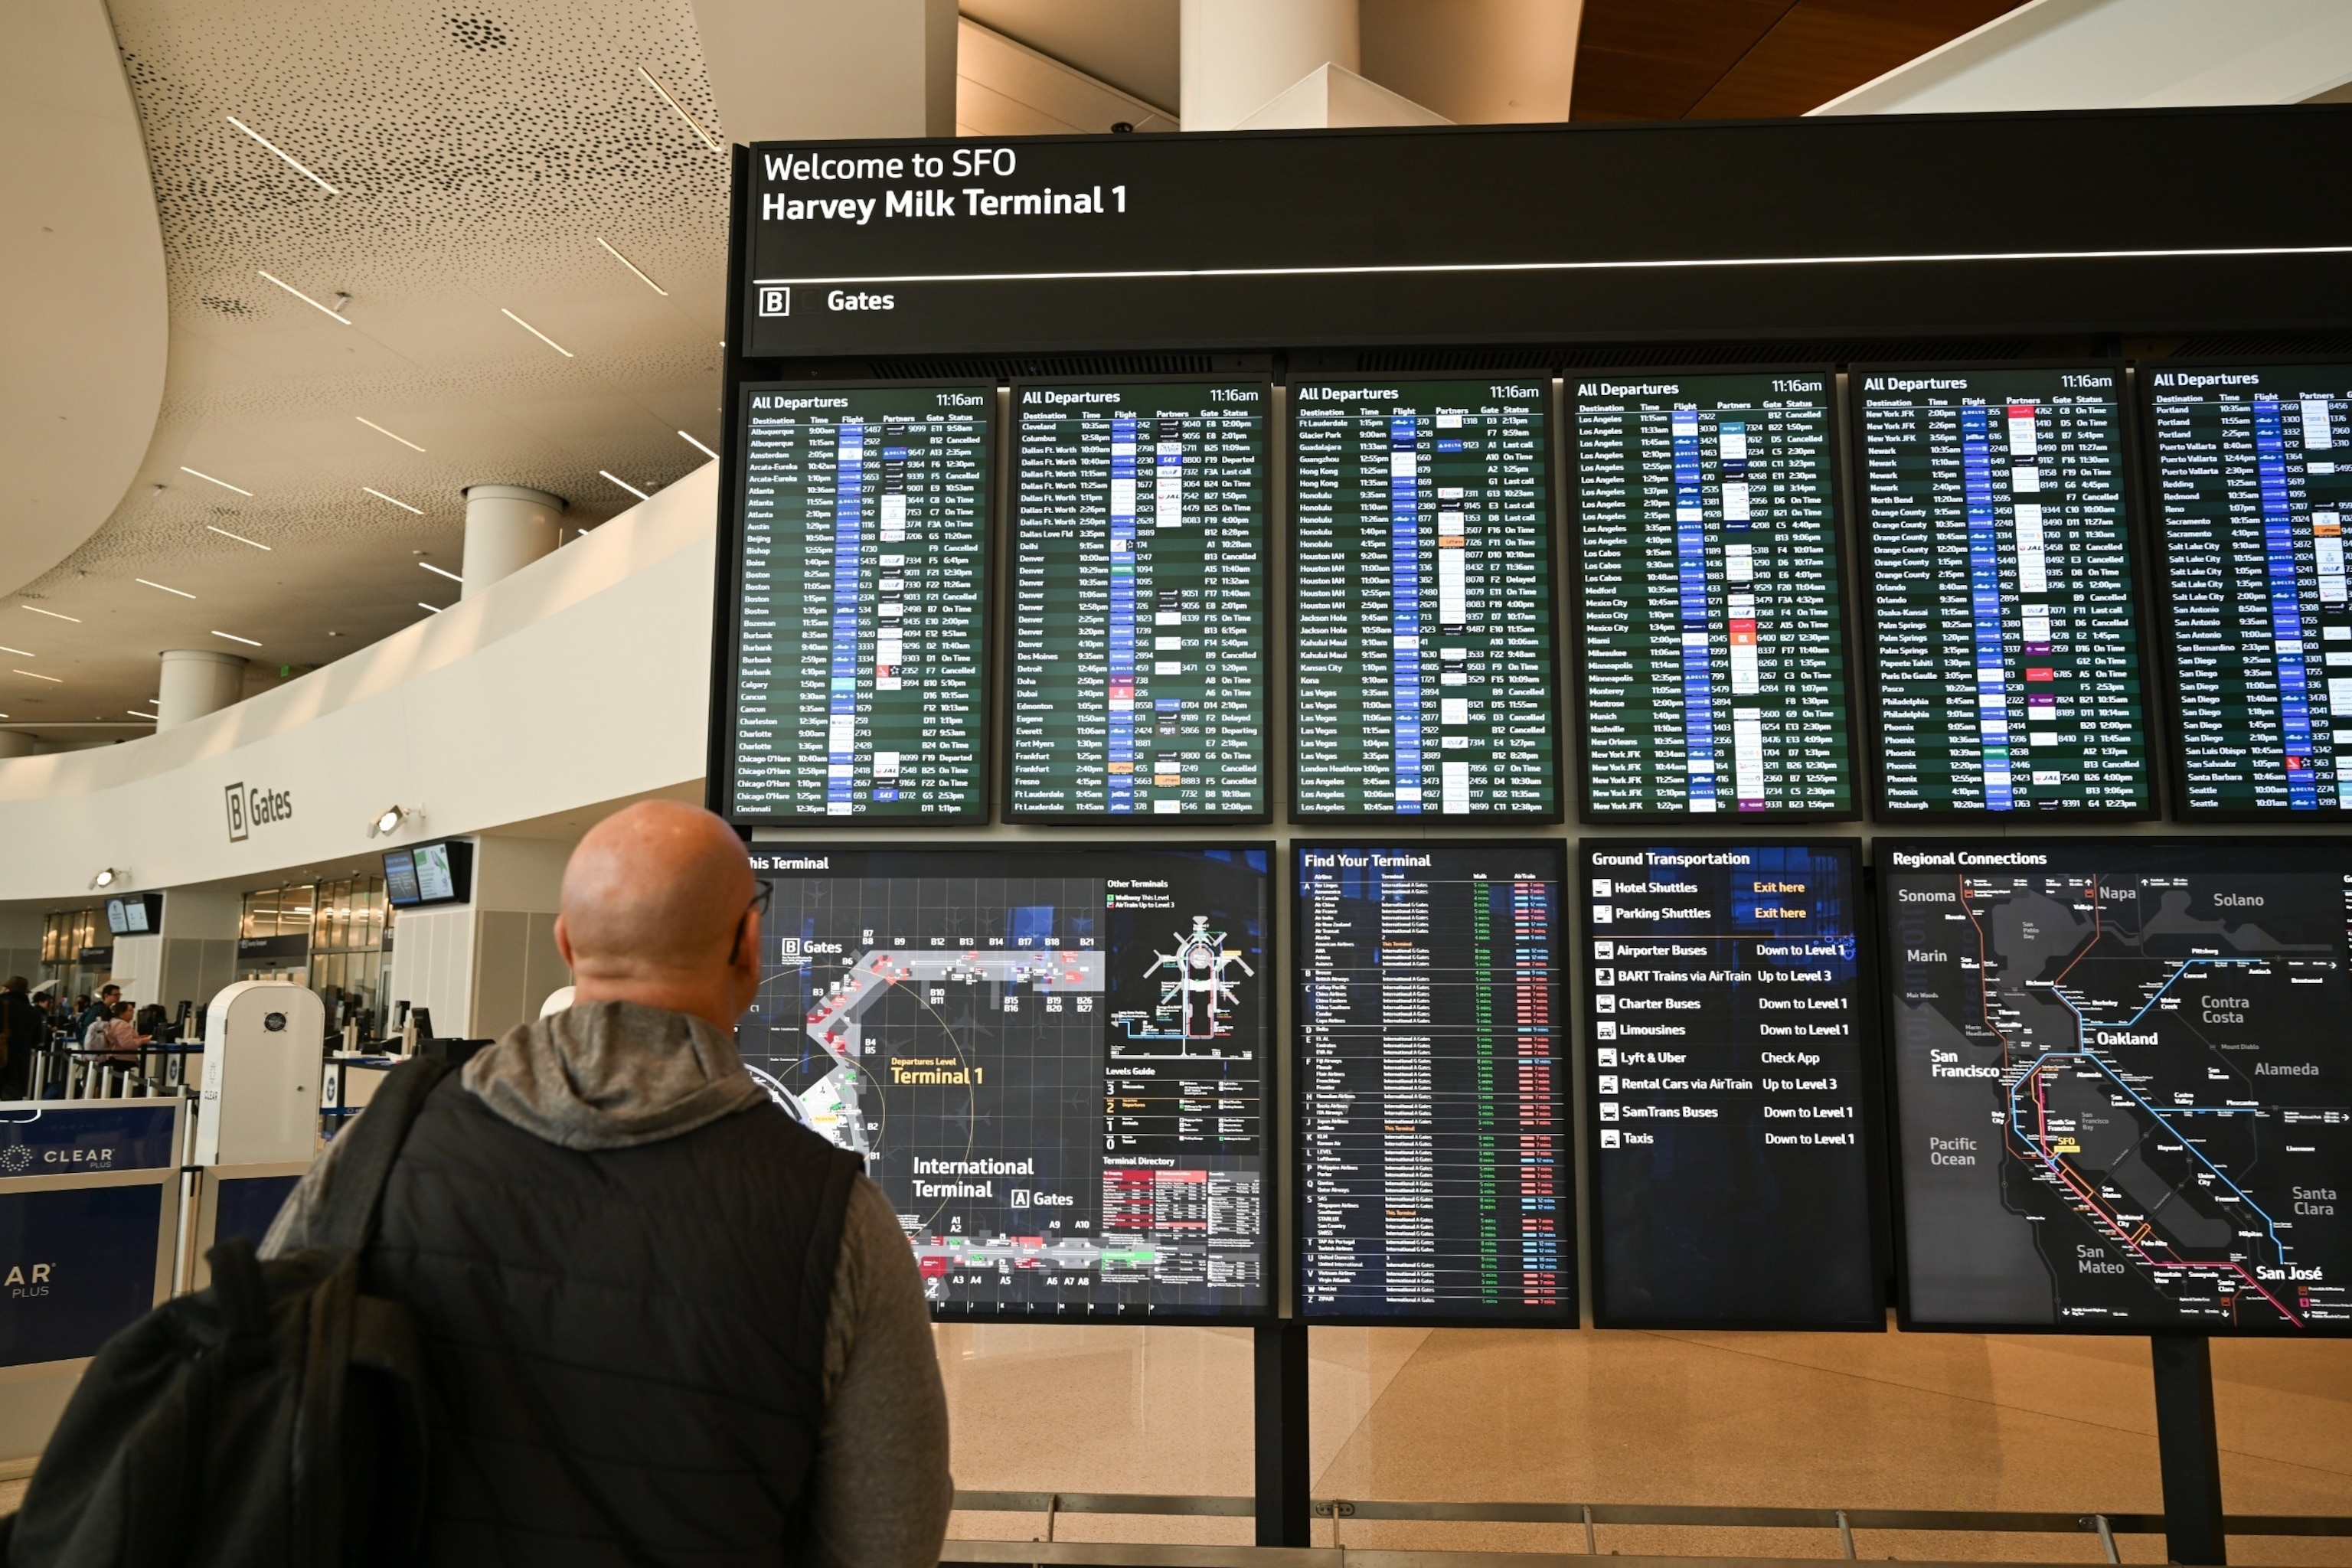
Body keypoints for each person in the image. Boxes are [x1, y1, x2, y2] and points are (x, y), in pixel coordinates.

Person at [264, 801, 951, 1564]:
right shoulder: (837, 1218)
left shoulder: (380, 1147)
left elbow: (267, 1408)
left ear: (565, 943)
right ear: (749, 947)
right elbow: (889, 1534)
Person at [0, 977, 41, 1100]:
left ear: (7, 989)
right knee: (11, 1108)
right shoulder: (33, 1011)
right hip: (19, 1066)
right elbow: (37, 1040)